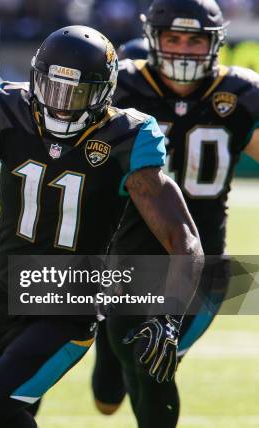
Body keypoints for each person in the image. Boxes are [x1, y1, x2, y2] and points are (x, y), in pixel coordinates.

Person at [0, 25, 204, 428]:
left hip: (70, 305)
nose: (62, 105)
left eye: (78, 94)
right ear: (36, 79)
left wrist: (169, 315)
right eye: (54, 89)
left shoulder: (127, 136)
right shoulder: (8, 108)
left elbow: (184, 241)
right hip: (6, 291)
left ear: (104, 93)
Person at [90, 0, 259, 426]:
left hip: (202, 264)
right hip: (124, 261)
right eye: (174, 38)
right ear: (153, 39)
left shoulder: (240, 93)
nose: (184, 50)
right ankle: (109, 346)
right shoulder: (121, 86)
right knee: (107, 396)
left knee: (153, 363)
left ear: (214, 43)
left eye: (195, 40)